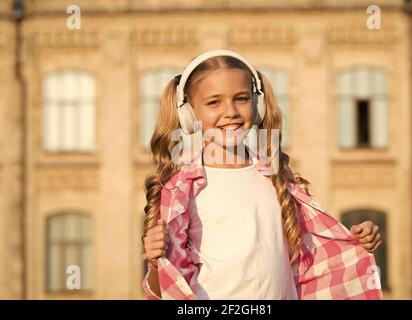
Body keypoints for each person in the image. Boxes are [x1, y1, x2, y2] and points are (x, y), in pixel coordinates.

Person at [141, 50, 383, 300]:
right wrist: (157, 263)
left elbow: (317, 255)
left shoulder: (277, 178)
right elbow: (164, 292)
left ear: (257, 105)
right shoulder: (182, 189)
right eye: (214, 102)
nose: (231, 111)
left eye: (242, 99)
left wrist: (357, 240)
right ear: (189, 114)